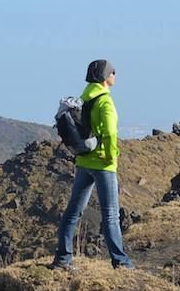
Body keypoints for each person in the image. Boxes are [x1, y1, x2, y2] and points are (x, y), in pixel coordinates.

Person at [51, 59, 135, 270]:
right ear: (105, 76)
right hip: (102, 164)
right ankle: (121, 262)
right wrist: (110, 156)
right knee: (111, 215)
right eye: (113, 72)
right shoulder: (105, 101)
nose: (115, 74)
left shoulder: (85, 97)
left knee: (73, 211)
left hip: (83, 160)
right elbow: (109, 133)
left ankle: (62, 259)